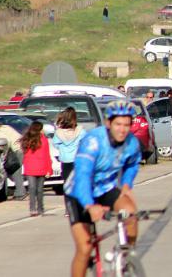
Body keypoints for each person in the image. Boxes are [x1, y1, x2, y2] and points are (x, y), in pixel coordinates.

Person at [64, 100, 142, 277]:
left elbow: (133, 163)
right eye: (118, 124)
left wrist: (127, 184)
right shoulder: (93, 142)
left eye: (127, 125)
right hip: (79, 192)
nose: (122, 130)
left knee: (130, 213)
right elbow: (82, 177)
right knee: (85, 247)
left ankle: (126, 259)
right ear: (108, 123)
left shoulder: (132, 143)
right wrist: (90, 206)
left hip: (105, 188)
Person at [52, 108, 86, 206]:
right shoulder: (81, 131)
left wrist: (63, 148)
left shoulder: (59, 133)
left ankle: (69, 207)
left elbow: (55, 144)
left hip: (65, 160)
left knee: (67, 183)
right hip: (77, 160)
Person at [19, 122, 53, 216]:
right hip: (34, 167)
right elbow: (47, 155)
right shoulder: (29, 139)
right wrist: (49, 169)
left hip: (37, 167)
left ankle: (37, 208)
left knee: (35, 189)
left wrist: (49, 169)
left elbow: (47, 155)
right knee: (36, 189)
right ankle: (36, 208)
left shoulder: (41, 139)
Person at [0, 119, 27, 200]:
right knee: (16, 172)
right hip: (21, 147)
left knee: (15, 172)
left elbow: (7, 142)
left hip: (15, 150)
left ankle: (20, 193)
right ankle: (20, 191)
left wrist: (4, 155)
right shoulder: (5, 127)